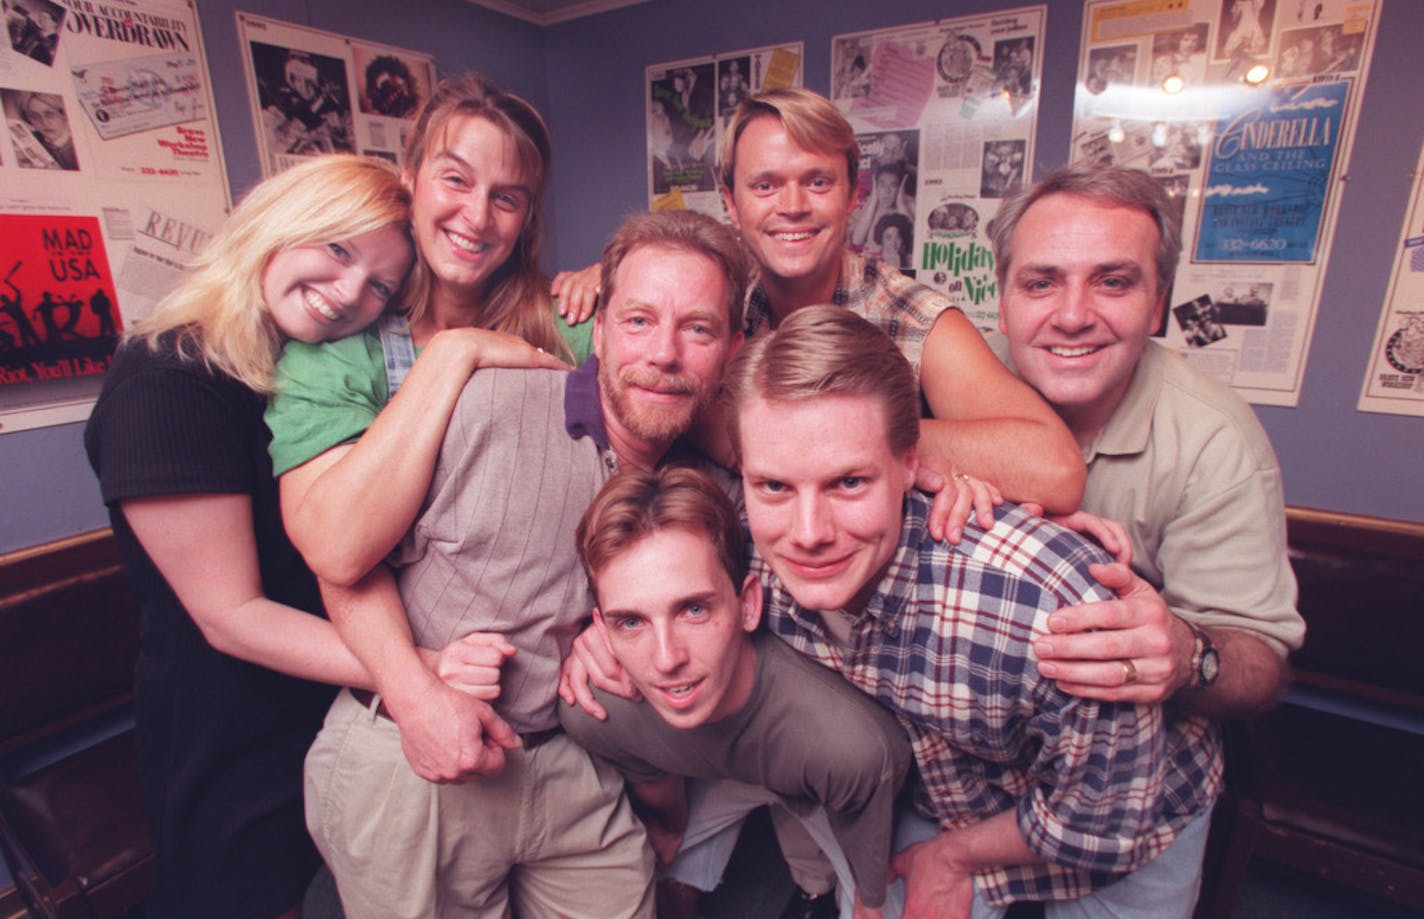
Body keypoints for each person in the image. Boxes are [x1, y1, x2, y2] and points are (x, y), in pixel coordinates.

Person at [290, 209, 749, 918]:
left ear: (730, 351)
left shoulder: (711, 492)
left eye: (698, 328)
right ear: (597, 328)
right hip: (412, 749)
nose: (664, 352)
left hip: (570, 762)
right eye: (638, 321)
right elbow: (341, 561)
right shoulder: (484, 407)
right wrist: (415, 692)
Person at [725, 306, 1221, 918]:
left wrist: (954, 858)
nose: (807, 535)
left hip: (1126, 812)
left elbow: (1100, 824)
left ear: (912, 466)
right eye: (774, 486)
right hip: (953, 787)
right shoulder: (742, 555)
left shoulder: (1051, 611)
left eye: (848, 483)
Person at [83, 154, 441, 919]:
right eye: (339, 250)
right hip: (233, 734)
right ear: (278, 225)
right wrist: (412, 671)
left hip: (323, 706)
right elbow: (231, 614)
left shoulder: (297, 369)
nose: (351, 292)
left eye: (381, 283)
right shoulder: (168, 379)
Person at [984, 166, 1305, 718]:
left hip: (1131, 752)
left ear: (1157, 305)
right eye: (1041, 283)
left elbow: (1263, 669)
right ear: (1003, 301)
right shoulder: (950, 381)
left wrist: (1187, 653)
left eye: (1113, 282)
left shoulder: (1215, 440)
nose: (1072, 316)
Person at [561, 467, 912, 919]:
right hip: (732, 772)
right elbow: (652, 776)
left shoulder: (852, 747)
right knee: (665, 869)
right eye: (631, 622)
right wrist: (668, 829)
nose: (667, 659)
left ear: (748, 604)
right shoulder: (596, 712)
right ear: (601, 630)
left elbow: (872, 883)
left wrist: (870, 902)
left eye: (693, 609)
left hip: (834, 781)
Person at [17, 90, 77, 170]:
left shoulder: (78, 146)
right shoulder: (32, 141)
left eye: (50, 114)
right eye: (35, 116)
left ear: (63, 115)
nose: (44, 122)